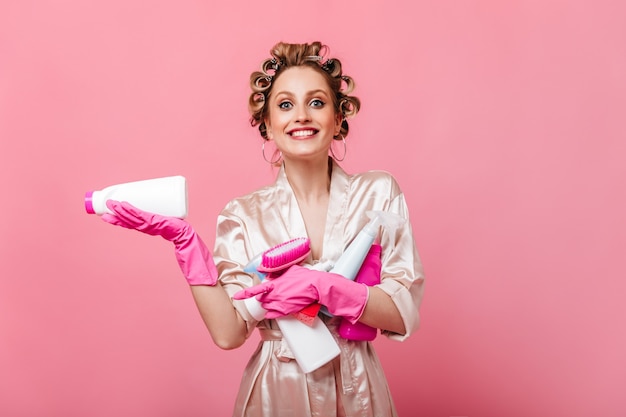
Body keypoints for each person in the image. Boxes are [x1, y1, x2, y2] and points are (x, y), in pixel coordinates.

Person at [102, 41, 425, 417]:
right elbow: (229, 333)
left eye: (317, 102)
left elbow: (403, 312)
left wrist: (324, 287)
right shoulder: (243, 215)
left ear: (338, 120)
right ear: (268, 126)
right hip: (277, 391)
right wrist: (185, 243)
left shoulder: (378, 193)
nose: (301, 115)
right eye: (285, 105)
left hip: (358, 388)